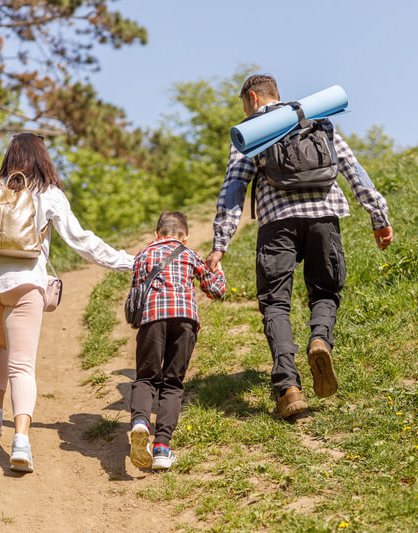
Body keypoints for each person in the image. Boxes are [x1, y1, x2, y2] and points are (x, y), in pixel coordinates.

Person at [0, 133, 135, 473]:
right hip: (26, 283)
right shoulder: (49, 194)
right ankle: (22, 442)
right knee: (22, 365)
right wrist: (129, 261)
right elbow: (81, 241)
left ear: (9, 155)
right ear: (43, 157)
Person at [205, 74, 393, 419]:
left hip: (277, 224)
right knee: (325, 291)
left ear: (251, 97)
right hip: (324, 217)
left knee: (276, 303)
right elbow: (353, 168)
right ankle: (320, 339)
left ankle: (288, 388)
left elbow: (233, 189)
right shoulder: (315, 119)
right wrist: (378, 216)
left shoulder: (253, 130)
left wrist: (220, 244)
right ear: (277, 94)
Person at [128, 211, 226, 470]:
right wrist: (219, 272)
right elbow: (215, 291)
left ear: (156, 234)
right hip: (185, 321)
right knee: (172, 383)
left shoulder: (143, 255)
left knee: (146, 378)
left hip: (152, 320)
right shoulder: (189, 253)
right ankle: (162, 448)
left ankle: (140, 422)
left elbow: (136, 291)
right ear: (185, 237)